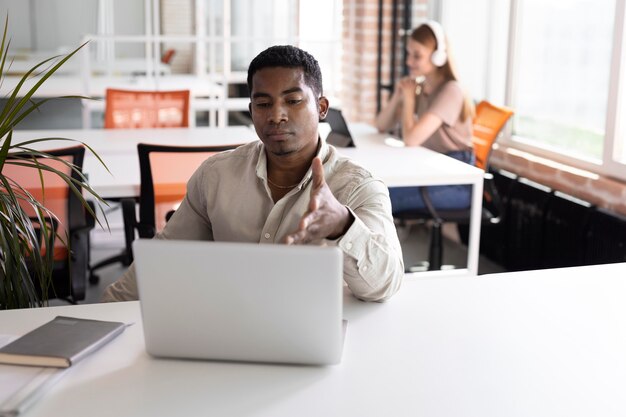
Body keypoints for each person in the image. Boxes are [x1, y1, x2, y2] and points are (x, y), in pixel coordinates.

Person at [102, 45, 404, 303]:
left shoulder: (358, 187)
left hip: (309, 336)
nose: (276, 115)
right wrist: (101, 311)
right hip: (231, 329)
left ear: (322, 107)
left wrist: (342, 224)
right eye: (263, 103)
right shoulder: (216, 175)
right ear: (251, 109)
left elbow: (385, 283)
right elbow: (164, 258)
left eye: (293, 100)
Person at [375, 20, 475, 213]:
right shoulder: (421, 88)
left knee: (379, 199)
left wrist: (410, 100)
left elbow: (411, 139)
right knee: (372, 192)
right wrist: (398, 95)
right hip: (429, 169)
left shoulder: (451, 91)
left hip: (456, 182)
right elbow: (381, 125)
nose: (409, 62)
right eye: (408, 54)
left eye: (417, 56)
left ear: (438, 57)